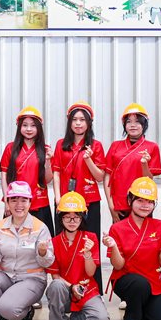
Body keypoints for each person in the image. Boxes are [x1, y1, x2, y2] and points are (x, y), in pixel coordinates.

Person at [0, 181, 54, 320]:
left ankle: (26, 311)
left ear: (30, 203)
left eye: (24, 200)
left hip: (32, 279)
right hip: (7, 277)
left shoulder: (40, 228)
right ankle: (2, 319)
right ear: (8, 202)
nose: (19, 205)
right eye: (14, 200)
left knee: (9, 308)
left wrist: (43, 253)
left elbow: (48, 262)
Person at [104, 177, 161, 320]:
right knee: (139, 284)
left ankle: (141, 309)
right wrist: (113, 247)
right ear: (130, 200)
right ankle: (131, 317)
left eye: (149, 202)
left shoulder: (160, 226)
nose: (145, 205)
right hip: (129, 281)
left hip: (155, 281)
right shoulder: (117, 228)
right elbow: (118, 265)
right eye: (140, 200)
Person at [46, 192, 108, 320]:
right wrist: (72, 287)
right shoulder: (54, 242)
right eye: (67, 216)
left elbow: (91, 273)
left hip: (86, 290)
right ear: (61, 218)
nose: (72, 221)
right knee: (56, 286)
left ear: (83, 217)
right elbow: (55, 276)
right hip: (65, 292)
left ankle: (75, 319)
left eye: (76, 217)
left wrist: (88, 253)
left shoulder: (90, 238)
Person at [51, 102, 107, 246]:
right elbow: (56, 173)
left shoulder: (96, 145)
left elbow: (100, 177)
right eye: (74, 119)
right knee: (63, 242)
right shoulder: (60, 144)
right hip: (64, 200)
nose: (78, 123)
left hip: (89, 201)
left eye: (82, 120)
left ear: (89, 123)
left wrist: (88, 159)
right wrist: (58, 198)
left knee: (90, 241)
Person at [103, 104, 161, 221]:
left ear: (144, 125)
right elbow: (107, 176)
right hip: (119, 203)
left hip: (143, 201)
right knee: (119, 232)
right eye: (129, 121)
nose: (133, 125)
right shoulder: (115, 146)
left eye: (137, 122)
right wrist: (110, 205)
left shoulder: (152, 147)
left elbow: (149, 179)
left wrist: (144, 164)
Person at [1, 106, 54, 232]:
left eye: (33, 125)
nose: (29, 129)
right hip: (16, 203)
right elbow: (4, 176)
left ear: (39, 128)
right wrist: (7, 201)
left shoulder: (45, 149)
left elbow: (48, 180)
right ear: (19, 127)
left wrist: (48, 160)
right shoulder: (10, 148)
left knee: (42, 239)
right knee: (11, 238)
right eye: (25, 125)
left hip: (39, 202)